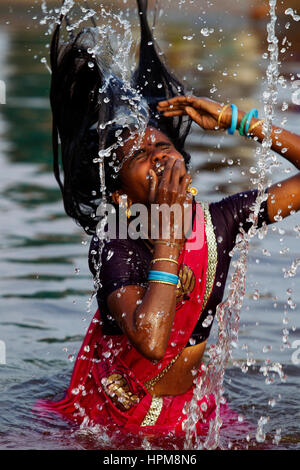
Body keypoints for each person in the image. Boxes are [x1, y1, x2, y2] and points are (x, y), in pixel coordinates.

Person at [37, 0, 300, 444]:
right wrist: (170, 239)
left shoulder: (220, 223)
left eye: (163, 145)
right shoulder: (115, 242)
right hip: (116, 420)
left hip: (196, 411)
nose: (158, 154)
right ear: (121, 196)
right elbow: (152, 341)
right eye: (139, 156)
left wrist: (236, 120)